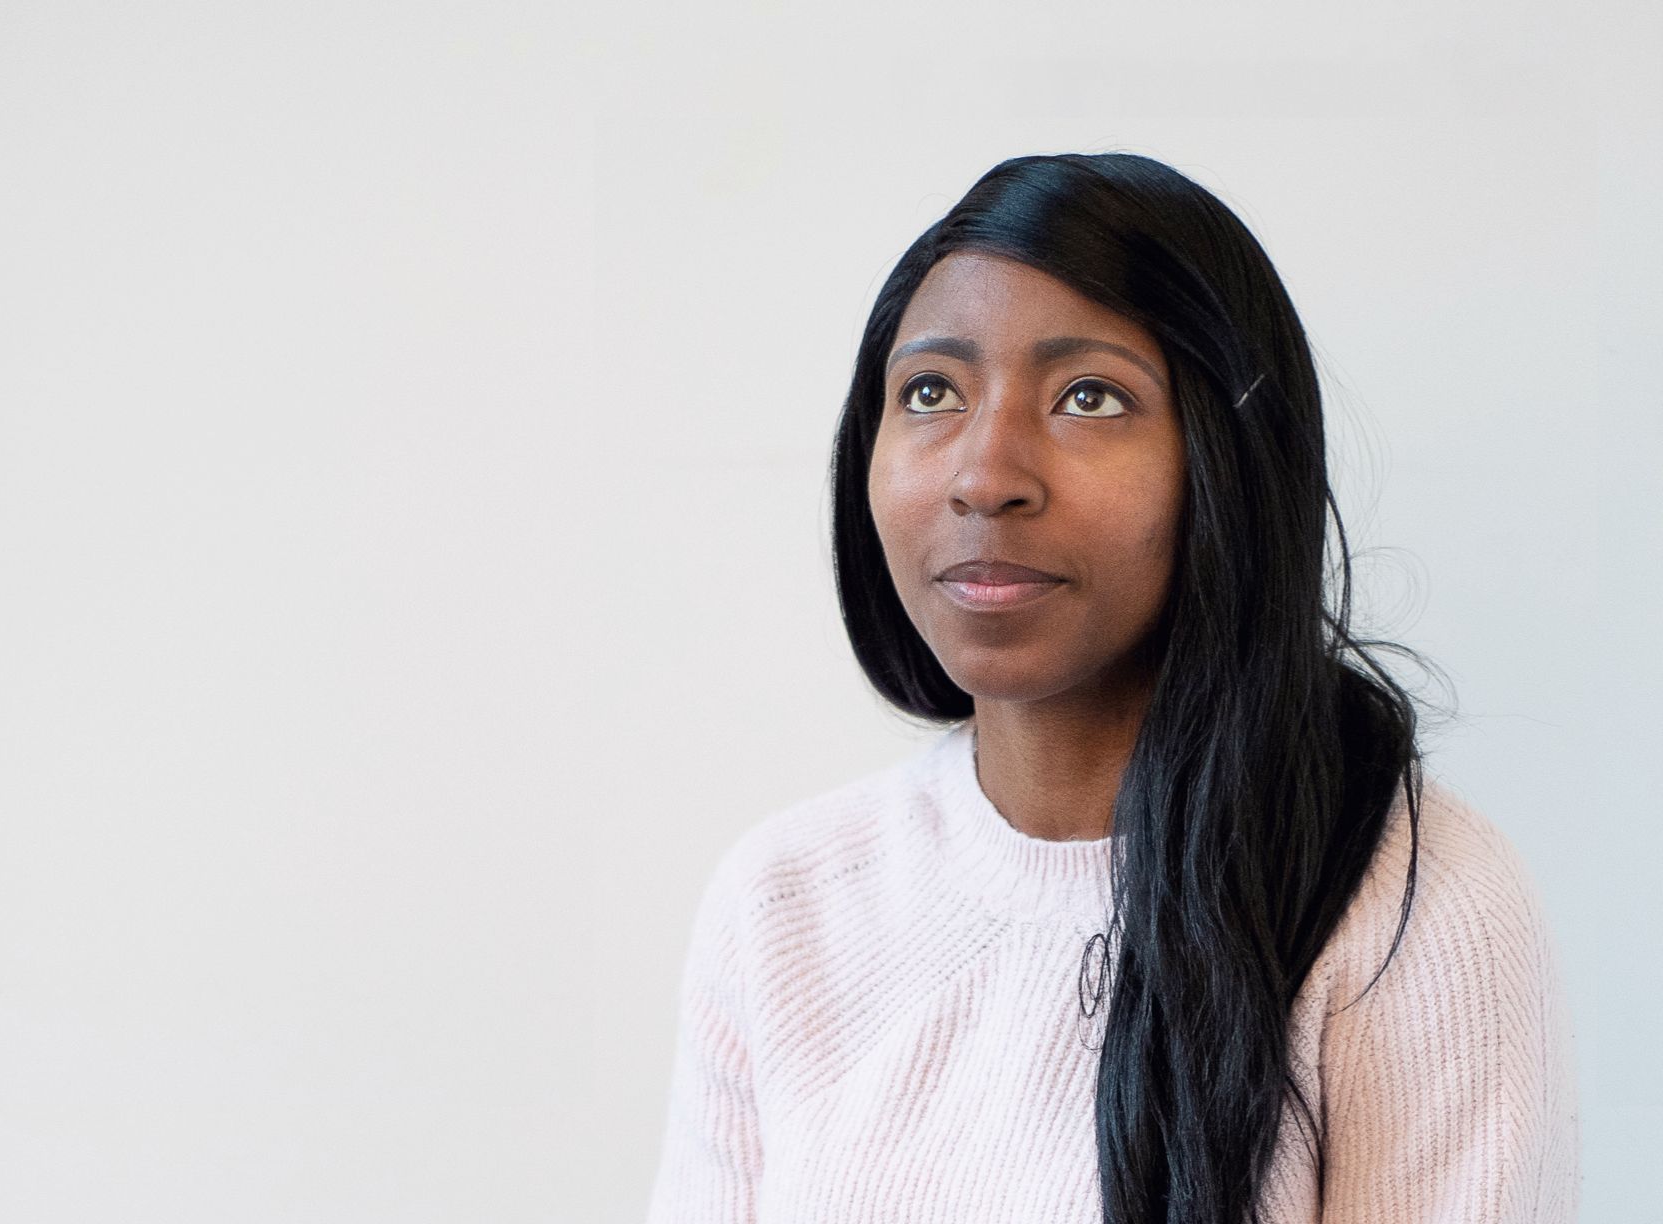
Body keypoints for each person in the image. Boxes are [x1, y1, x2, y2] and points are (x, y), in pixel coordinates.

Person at [643, 153, 1579, 1223]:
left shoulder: (1410, 898)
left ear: (1226, 461)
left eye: (1089, 397)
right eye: (931, 392)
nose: (986, 475)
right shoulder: (781, 903)